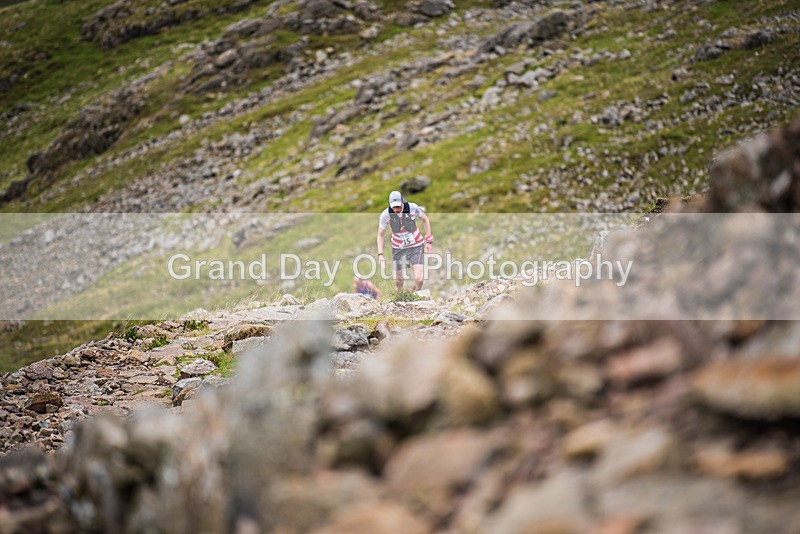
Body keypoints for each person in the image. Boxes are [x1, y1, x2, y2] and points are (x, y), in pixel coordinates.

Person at [376, 190, 433, 292]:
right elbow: (380, 234)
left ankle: (414, 295)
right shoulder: (385, 215)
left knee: (419, 279)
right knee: (399, 281)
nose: (396, 209)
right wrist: (380, 254)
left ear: (402, 201)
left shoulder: (412, 208)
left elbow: (425, 219)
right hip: (398, 249)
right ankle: (401, 300)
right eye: (394, 207)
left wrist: (428, 240)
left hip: (416, 246)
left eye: (398, 206)